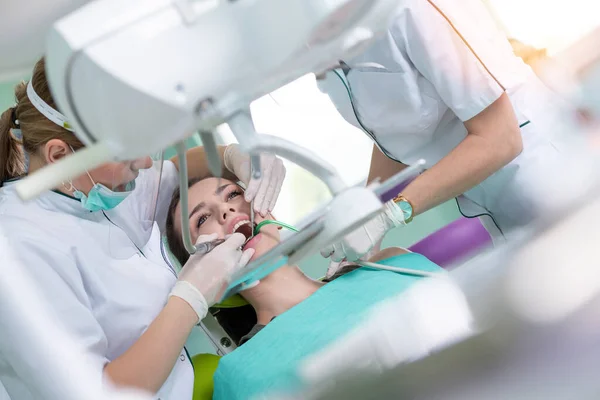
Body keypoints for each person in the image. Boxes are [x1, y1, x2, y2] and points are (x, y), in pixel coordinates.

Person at [0, 58, 286, 399]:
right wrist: (190, 298)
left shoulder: (95, 184)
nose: (147, 162)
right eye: (129, 152)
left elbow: (177, 171)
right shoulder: (16, 251)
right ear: (60, 155)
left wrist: (231, 156)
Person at [316, 0, 584, 275]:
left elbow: (501, 138)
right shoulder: (325, 40)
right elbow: (399, 127)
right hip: (491, 197)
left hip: (541, 169)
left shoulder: (413, 9)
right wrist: (364, 211)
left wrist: (389, 215)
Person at [166, 176, 473, 400]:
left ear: (267, 210)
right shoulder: (237, 374)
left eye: (233, 194)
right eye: (202, 218)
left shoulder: (392, 263)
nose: (226, 211)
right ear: (199, 269)